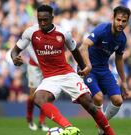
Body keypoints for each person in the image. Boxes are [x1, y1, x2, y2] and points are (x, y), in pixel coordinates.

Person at [11, 4, 115, 135]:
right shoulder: (30, 32)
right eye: (39, 20)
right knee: (38, 98)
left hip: (67, 74)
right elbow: (15, 50)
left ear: (52, 18)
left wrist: (84, 68)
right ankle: (69, 127)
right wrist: (15, 58)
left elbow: (75, 51)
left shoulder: (63, 33)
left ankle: (110, 133)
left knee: (89, 105)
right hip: (49, 78)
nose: (42, 23)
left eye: (45, 20)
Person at [79, 5, 131, 134]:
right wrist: (87, 66)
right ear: (112, 18)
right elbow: (83, 47)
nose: (121, 23)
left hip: (103, 69)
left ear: (127, 21)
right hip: (89, 68)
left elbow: (119, 59)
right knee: (98, 97)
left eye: (124, 21)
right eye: (118, 20)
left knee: (118, 100)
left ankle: (102, 124)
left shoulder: (122, 39)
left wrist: (123, 81)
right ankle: (103, 125)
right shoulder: (102, 29)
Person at [25, 46, 49, 132]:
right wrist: (39, 62)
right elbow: (29, 47)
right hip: (34, 67)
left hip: (47, 66)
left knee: (46, 95)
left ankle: (42, 122)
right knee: (32, 95)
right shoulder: (33, 32)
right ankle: (29, 118)